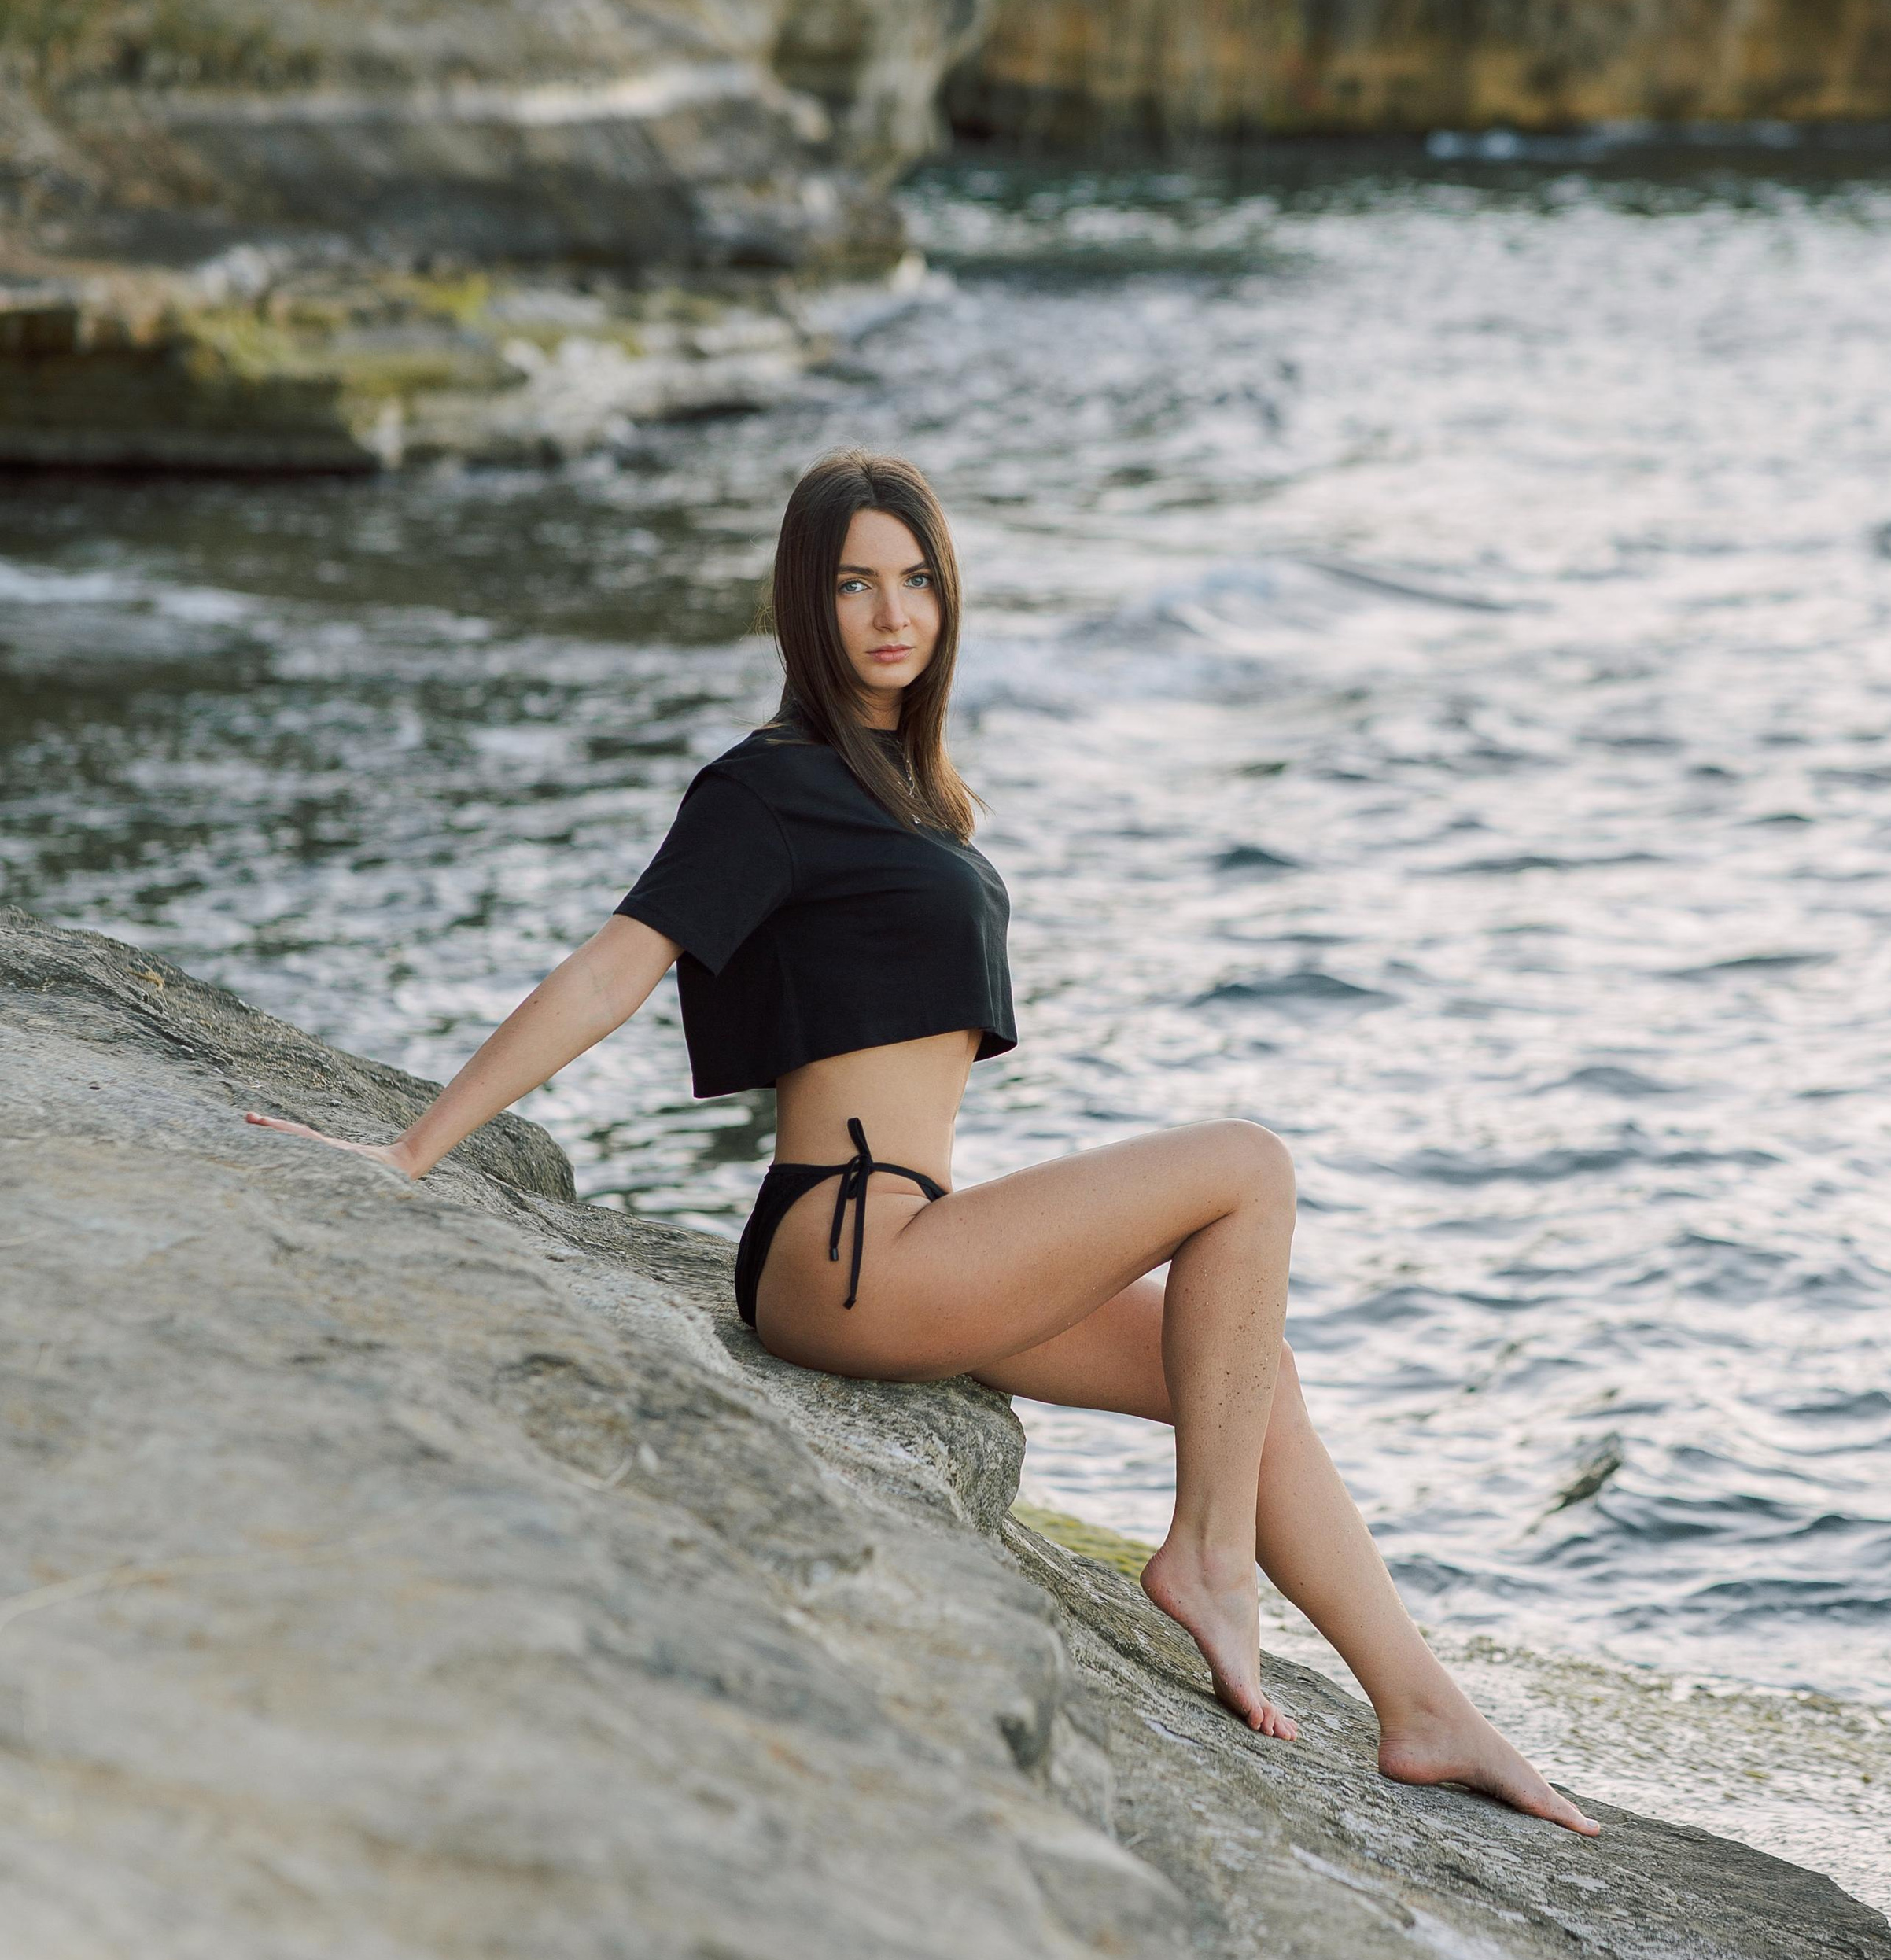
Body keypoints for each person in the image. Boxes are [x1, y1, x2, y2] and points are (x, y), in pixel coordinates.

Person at [252, 448, 1595, 1830]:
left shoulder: (912, 792)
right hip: (848, 1252)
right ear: (802, 604)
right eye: (852, 583)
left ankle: (1423, 1709)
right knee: (1247, 1168)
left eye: (918, 582)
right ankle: (1208, 1562)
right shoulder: (764, 788)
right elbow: (616, 967)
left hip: (913, 1243)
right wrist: (416, 1155)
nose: (891, 614)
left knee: (1245, 1367)